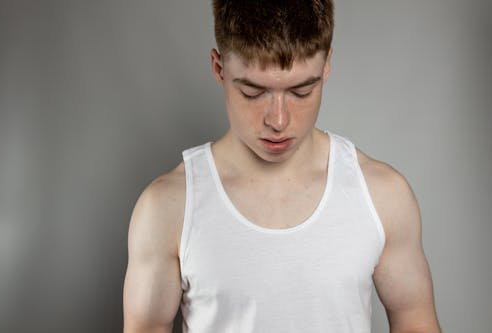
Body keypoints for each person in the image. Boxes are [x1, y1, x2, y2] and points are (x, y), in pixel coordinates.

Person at [122, 1, 441, 332]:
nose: (278, 120)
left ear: (327, 64)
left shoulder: (382, 194)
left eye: (301, 91)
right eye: (253, 92)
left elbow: (415, 321)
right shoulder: (167, 207)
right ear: (219, 69)